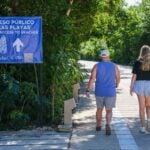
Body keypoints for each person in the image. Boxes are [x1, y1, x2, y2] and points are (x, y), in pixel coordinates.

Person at [86, 49, 120, 135]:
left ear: (101, 56)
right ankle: (108, 124)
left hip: (99, 91)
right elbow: (118, 77)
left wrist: (88, 89)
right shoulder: (114, 66)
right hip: (110, 91)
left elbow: (92, 78)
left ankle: (98, 125)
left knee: (99, 109)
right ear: (108, 56)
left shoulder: (96, 66)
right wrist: (117, 84)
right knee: (109, 110)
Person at [130, 45, 150, 134]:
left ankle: (142, 127)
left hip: (139, 85)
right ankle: (149, 126)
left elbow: (134, 76)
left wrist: (131, 87)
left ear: (141, 52)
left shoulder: (137, 62)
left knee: (141, 107)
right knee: (149, 107)